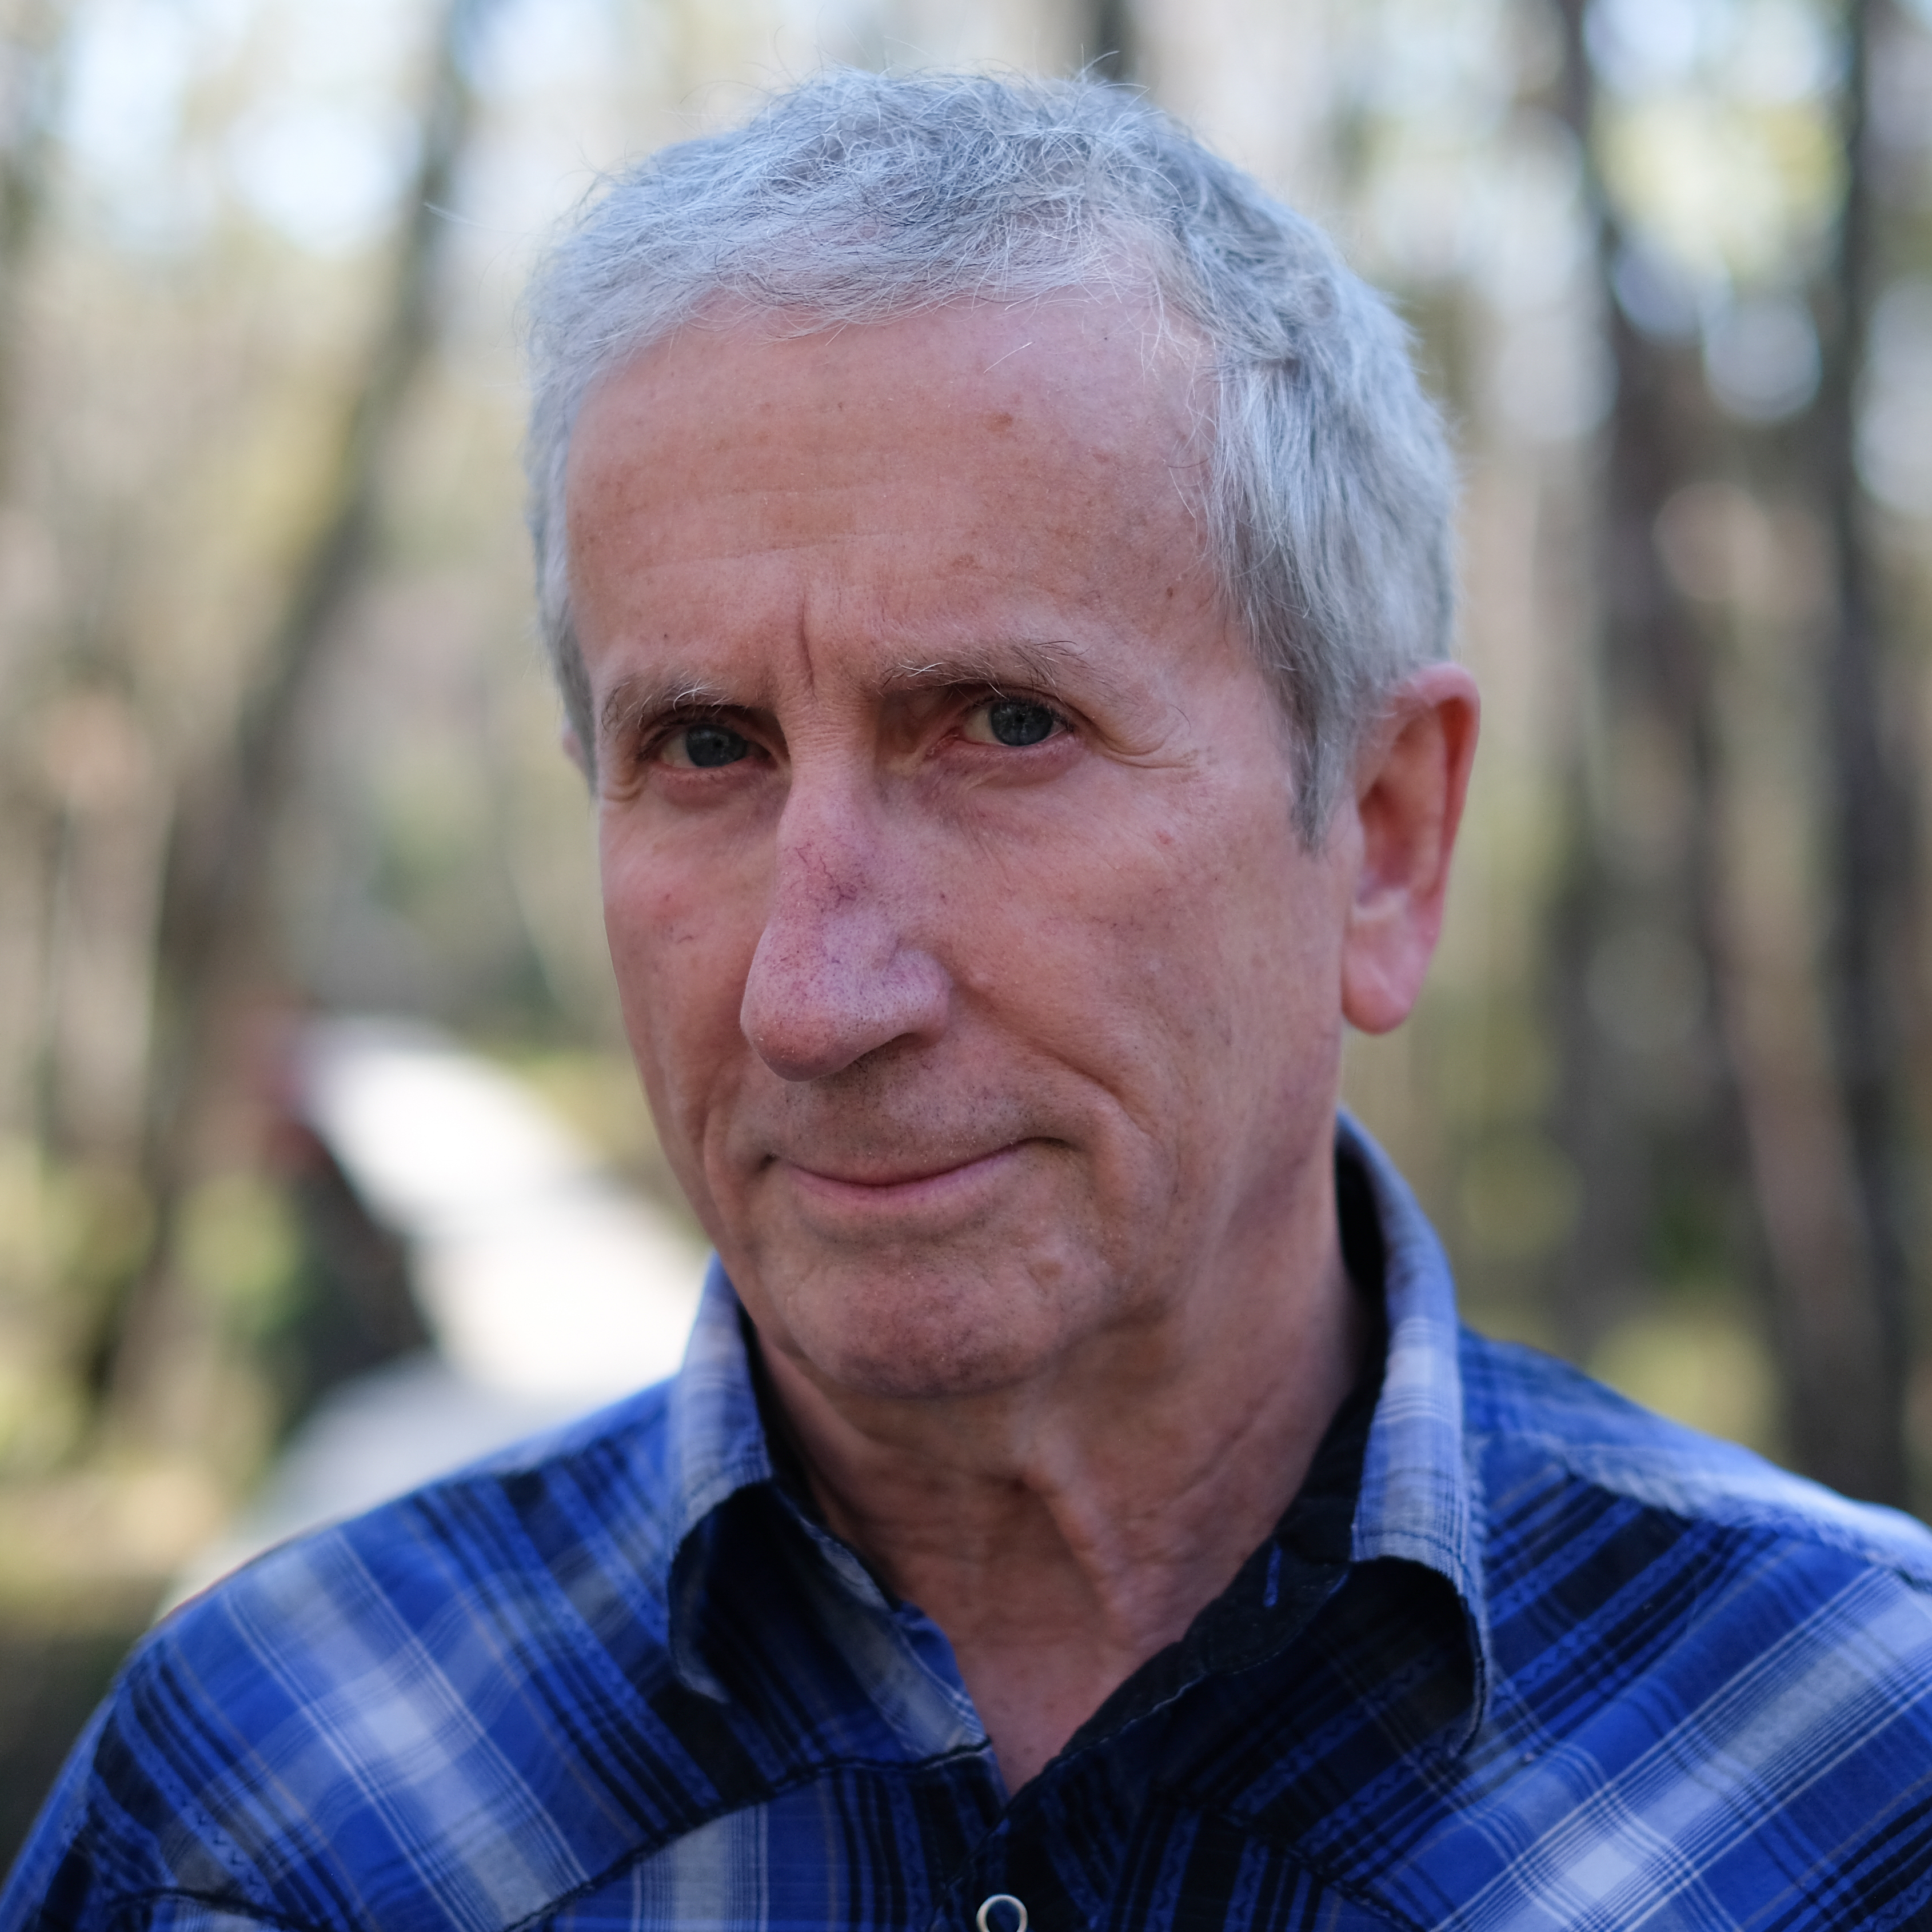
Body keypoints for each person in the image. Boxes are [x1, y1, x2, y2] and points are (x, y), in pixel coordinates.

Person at [9, 69, 1932, 1932]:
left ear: (1381, 833)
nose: (814, 994)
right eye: (701, 746)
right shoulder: (265, 1812)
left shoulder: (1862, 1784)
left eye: (1005, 725)